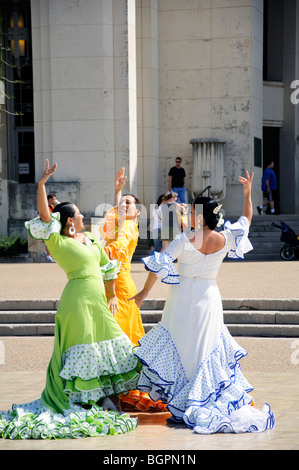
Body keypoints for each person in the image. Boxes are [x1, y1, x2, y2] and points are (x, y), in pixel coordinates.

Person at [0, 160, 140, 440]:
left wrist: (112, 295)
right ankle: (82, 399)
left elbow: (108, 267)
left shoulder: (90, 239)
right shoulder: (57, 241)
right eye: (78, 215)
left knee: (116, 344)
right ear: (69, 222)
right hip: (76, 300)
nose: (83, 217)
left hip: (98, 300)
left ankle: (102, 397)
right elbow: (43, 216)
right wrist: (41, 184)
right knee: (83, 348)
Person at [129, 171, 275, 434]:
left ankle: (183, 404)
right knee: (206, 348)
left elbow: (159, 265)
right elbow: (247, 219)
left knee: (182, 347)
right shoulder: (226, 238)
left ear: (199, 216)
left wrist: (143, 293)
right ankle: (200, 399)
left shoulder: (185, 239)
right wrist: (247, 193)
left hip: (182, 296)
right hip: (209, 296)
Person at [100, 168, 167, 412]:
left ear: (137, 213)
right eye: (123, 202)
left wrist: (118, 193)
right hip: (110, 282)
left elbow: (113, 250)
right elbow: (112, 218)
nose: (125, 204)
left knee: (120, 336)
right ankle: (117, 390)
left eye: (130, 203)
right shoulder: (118, 222)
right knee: (114, 336)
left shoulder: (128, 227)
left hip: (119, 285)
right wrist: (117, 190)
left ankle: (124, 390)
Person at [41, 193, 60, 263]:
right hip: (46, 226)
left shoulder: (52, 206)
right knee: (49, 240)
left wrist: (58, 204)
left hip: (52, 225)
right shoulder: (45, 206)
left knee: (53, 240)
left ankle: (46, 253)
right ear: (50, 199)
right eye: (54, 199)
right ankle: (47, 256)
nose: (55, 200)